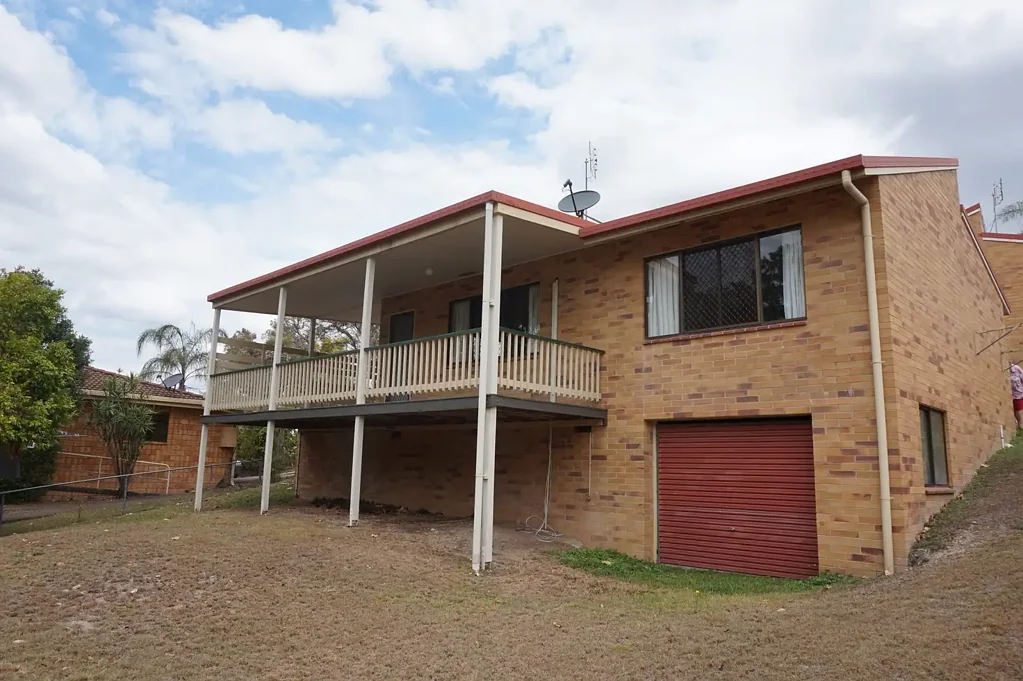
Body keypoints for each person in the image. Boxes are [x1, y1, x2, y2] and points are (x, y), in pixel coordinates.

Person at [1011, 361, 1023, 430]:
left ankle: (1020, 426)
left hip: (1018, 395)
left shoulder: (1017, 369)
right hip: (1010, 396)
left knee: (1019, 411)